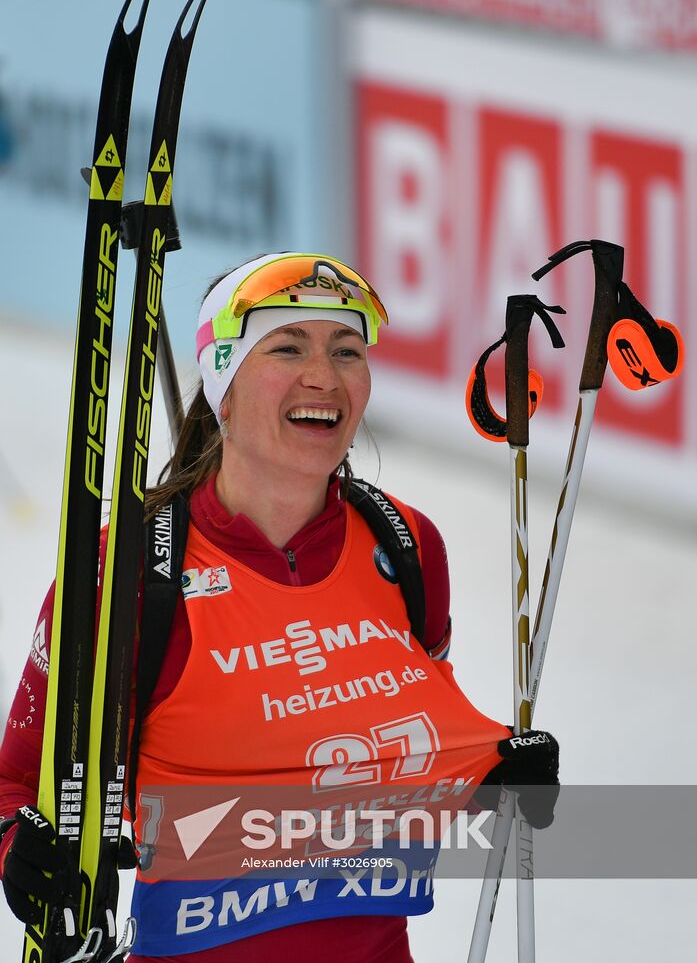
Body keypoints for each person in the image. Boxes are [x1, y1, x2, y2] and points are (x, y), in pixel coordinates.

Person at [0, 252, 559, 962]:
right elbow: (14, 778)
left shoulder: (406, 546)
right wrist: (22, 849)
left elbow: (416, 752)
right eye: (287, 346)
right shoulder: (129, 571)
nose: (323, 376)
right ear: (222, 385)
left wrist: (498, 776)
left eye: (346, 350)